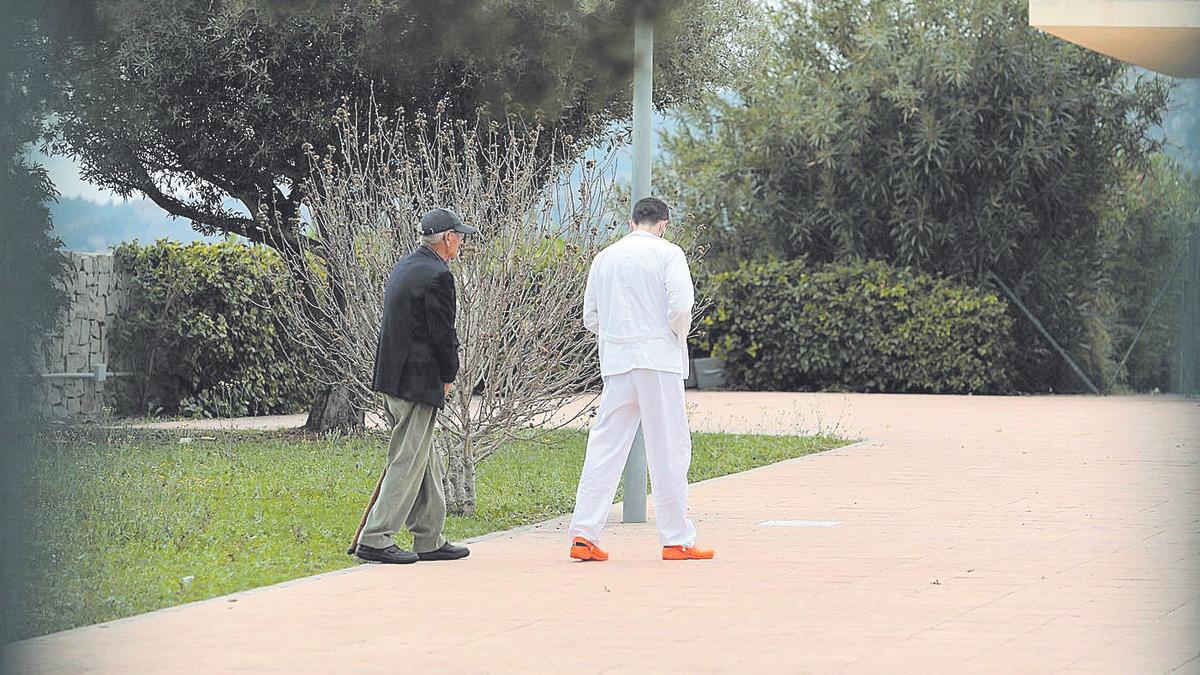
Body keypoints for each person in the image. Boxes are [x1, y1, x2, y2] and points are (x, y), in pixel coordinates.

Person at [567, 197, 715, 562]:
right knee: (668, 447)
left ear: (631, 222)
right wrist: (672, 336)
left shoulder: (605, 258)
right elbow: (681, 306)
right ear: (663, 223)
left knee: (605, 446)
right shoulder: (669, 254)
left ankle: (584, 533)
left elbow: (591, 315)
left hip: (617, 360)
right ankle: (676, 537)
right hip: (659, 360)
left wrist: (616, 336)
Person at [352, 207, 477, 565]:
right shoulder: (439, 275)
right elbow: (442, 334)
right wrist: (449, 374)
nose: (462, 243)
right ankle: (376, 538)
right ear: (448, 239)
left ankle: (429, 538)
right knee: (408, 458)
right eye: (459, 236)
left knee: (426, 458)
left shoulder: (407, 265)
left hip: (394, 377)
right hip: (418, 379)